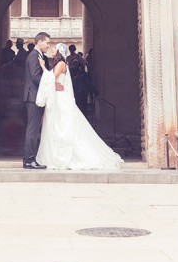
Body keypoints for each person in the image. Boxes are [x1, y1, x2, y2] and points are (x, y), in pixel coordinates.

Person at [35, 43, 124, 171]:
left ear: (59, 52)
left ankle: (64, 156)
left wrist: (43, 66)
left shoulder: (61, 64)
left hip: (60, 99)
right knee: (57, 126)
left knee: (62, 127)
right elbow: (52, 81)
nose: (52, 49)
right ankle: (55, 155)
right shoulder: (58, 64)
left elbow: (50, 79)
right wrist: (53, 83)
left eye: (54, 48)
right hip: (57, 97)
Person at [22, 32, 53, 169]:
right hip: (33, 97)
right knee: (32, 129)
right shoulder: (34, 56)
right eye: (47, 43)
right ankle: (29, 160)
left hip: (35, 96)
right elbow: (35, 77)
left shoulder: (39, 56)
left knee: (33, 129)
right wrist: (51, 85)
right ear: (39, 42)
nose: (48, 45)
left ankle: (28, 159)